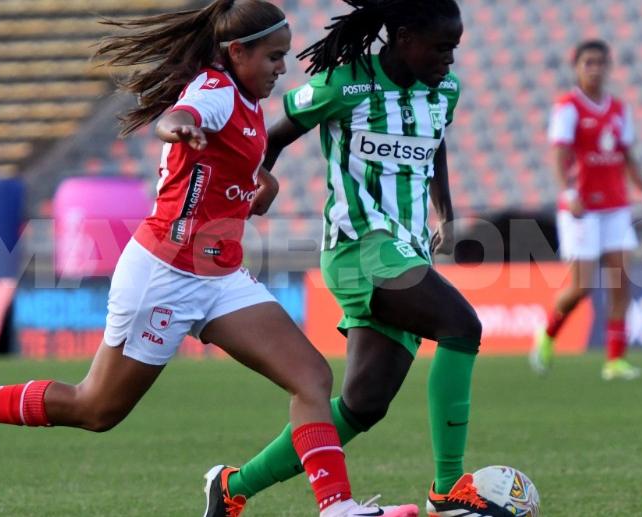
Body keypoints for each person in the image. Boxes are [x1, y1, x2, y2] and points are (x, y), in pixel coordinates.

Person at [0, 2, 418, 516]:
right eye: (273, 57)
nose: (281, 68)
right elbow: (181, 116)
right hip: (164, 274)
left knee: (312, 377)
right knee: (97, 408)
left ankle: (337, 508)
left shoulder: (246, 103)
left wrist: (256, 183)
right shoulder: (217, 90)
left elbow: (217, 173)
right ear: (237, 52)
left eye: (284, 57)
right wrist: (179, 127)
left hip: (219, 275)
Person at [204, 1, 515, 516]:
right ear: (404, 36)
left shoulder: (445, 91)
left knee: (362, 407)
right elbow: (272, 137)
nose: (449, 60)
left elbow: (434, 143)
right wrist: (256, 182)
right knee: (462, 325)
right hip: (358, 247)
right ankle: (448, 488)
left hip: (406, 251)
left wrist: (446, 213)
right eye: (441, 48)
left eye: (454, 49)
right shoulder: (345, 84)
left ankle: (233, 487)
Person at [529, 39, 642, 381]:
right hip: (582, 208)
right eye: (588, 62)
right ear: (577, 66)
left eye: (600, 62)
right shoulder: (568, 107)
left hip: (616, 207)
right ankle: (547, 335)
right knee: (583, 286)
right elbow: (559, 154)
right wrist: (568, 191)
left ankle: (615, 361)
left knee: (620, 283)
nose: (595, 68)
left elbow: (626, 154)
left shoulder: (618, 108)